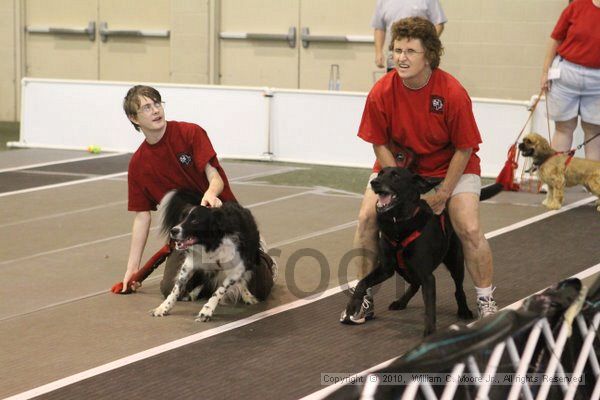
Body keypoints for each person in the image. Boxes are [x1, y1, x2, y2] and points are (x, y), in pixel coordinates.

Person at [348, 17, 497, 322]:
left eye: (410, 51)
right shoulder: (381, 91)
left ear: (428, 54)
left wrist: (443, 193)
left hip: (452, 167)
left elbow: (464, 147)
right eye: (397, 50)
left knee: (467, 227)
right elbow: (378, 142)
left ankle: (486, 300)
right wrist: (399, 185)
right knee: (365, 219)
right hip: (400, 170)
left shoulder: (452, 93)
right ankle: (363, 299)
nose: (401, 57)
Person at [121, 85, 261, 297]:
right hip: (189, 236)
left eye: (157, 104)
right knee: (171, 289)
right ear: (134, 118)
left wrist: (211, 193)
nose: (156, 110)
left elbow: (215, 176)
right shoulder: (138, 164)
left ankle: (263, 257)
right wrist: (133, 268)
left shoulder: (190, 133)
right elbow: (141, 216)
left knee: (258, 289)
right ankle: (210, 278)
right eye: (147, 108)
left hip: (222, 224)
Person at [540, 0, 600, 161]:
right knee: (563, 128)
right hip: (567, 74)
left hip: (598, 82)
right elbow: (556, 38)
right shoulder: (577, 6)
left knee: (594, 133)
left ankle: (593, 183)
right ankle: (553, 180)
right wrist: (545, 72)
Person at [372, 0, 447, 72]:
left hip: (420, 62)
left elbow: (438, 23)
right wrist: (378, 52)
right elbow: (379, 28)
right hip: (394, 61)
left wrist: (427, 45)